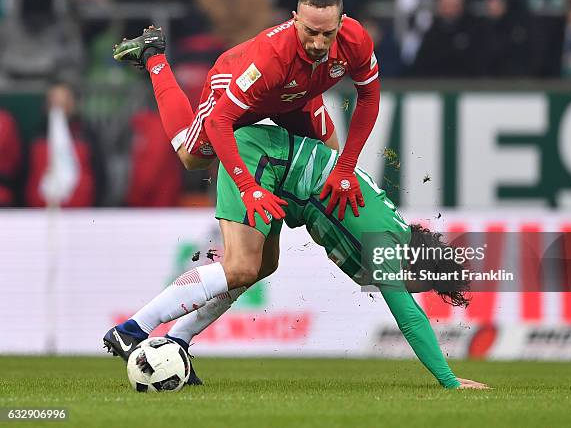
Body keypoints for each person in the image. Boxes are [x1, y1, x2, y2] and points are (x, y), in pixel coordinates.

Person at [104, 124, 488, 390]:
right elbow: (410, 319)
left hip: (283, 178)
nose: (412, 288)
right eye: (423, 282)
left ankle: (178, 342)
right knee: (240, 266)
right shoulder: (388, 246)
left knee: (262, 266)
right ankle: (133, 329)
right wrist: (450, 381)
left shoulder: (395, 228)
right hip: (262, 160)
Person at [112, 0, 381, 226]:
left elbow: (369, 98)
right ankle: (153, 55)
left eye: (327, 33)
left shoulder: (356, 40)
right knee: (191, 157)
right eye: (310, 32)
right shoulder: (271, 56)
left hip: (297, 96)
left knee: (328, 159)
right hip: (238, 88)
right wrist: (246, 186)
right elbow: (219, 122)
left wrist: (346, 166)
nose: (318, 43)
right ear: (295, 20)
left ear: (342, 23)